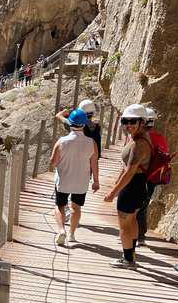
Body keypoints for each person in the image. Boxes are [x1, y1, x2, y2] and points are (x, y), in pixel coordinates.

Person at [103, 104, 152, 268]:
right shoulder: (142, 138)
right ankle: (131, 256)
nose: (128, 125)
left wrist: (113, 192)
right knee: (132, 222)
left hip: (131, 188)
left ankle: (127, 259)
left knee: (124, 226)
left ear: (142, 122)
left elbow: (130, 172)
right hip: (139, 186)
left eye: (133, 121)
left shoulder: (139, 144)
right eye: (125, 121)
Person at [50, 109, 100, 245]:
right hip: (81, 181)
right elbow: (94, 163)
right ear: (84, 124)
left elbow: (53, 162)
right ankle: (72, 234)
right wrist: (96, 181)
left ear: (70, 123)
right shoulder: (92, 143)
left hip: (64, 179)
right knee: (76, 207)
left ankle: (61, 230)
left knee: (60, 205)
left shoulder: (62, 141)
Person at [136, 107, 169, 245]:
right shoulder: (159, 138)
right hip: (153, 177)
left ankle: (134, 233)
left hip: (138, 174)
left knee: (135, 204)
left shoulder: (139, 137)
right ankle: (140, 235)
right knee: (143, 204)